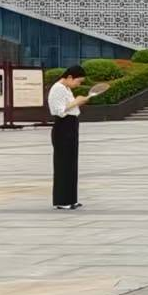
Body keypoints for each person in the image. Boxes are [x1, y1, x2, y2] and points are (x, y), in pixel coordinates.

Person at [48, 65, 92, 208]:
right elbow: (59, 110)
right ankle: (62, 201)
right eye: (78, 81)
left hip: (71, 125)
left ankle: (71, 199)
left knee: (71, 163)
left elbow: (71, 107)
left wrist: (78, 102)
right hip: (63, 127)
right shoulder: (58, 88)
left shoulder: (66, 88)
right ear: (69, 77)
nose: (78, 84)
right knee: (63, 164)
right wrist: (77, 101)